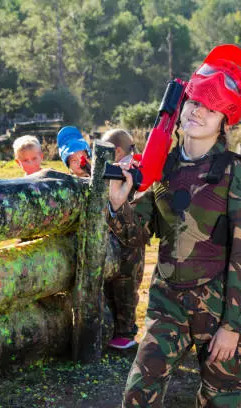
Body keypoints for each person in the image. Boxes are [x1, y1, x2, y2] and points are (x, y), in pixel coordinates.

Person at [108, 44, 241, 407]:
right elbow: (137, 232)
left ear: (224, 120)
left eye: (211, 108)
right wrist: (118, 204)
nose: (198, 112)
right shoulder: (162, 167)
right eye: (194, 103)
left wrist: (233, 326)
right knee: (137, 395)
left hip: (220, 305)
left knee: (220, 400)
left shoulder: (234, 172)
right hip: (168, 302)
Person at [100, 129, 145, 350]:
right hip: (123, 239)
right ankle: (120, 332)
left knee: (125, 288)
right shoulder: (132, 165)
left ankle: (125, 333)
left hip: (130, 244)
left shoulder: (128, 169)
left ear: (116, 151)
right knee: (119, 287)